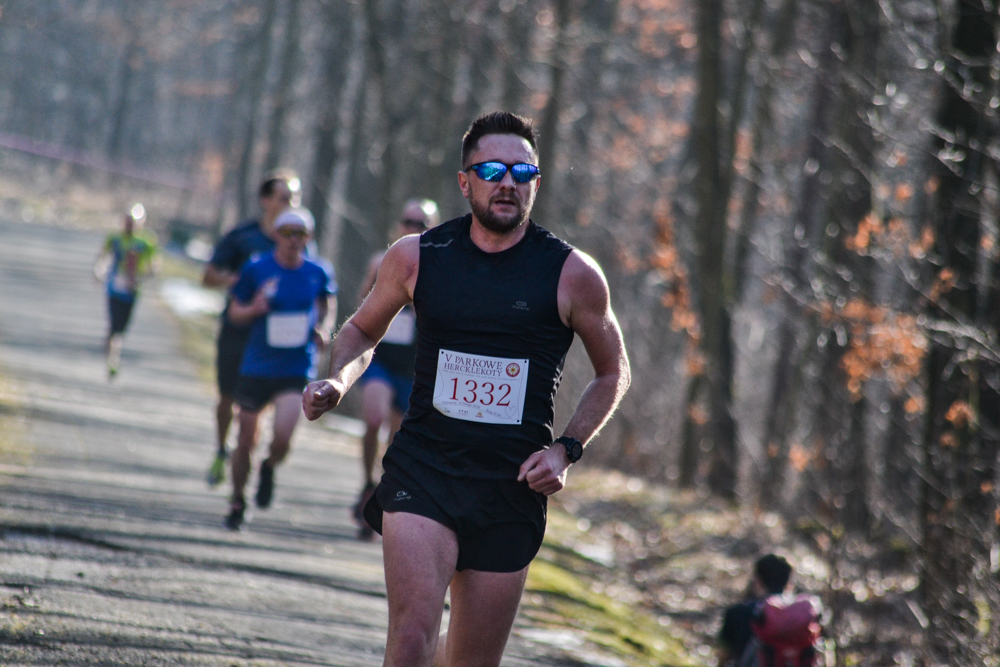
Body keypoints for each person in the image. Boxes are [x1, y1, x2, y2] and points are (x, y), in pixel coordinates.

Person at [303, 111, 630, 667]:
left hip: (510, 486)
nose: (507, 182)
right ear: (465, 181)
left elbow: (612, 371)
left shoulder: (572, 274)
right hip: (424, 469)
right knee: (410, 639)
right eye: (493, 169)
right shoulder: (417, 256)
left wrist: (565, 449)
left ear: (536, 183)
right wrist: (339, 379)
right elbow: (361, 329)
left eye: (522, 171)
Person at [224, 208, 337, 530]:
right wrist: (253, 308)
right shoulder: (257, 268)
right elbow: (234, 313)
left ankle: (270, 465)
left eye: (299, 234)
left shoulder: (318, 272)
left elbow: (327, 305)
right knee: (246, 438)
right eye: (286, 232)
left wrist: (324, 328)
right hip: (256, 366)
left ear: (308, 238)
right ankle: (237, 498)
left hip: (295, 366)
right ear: (276, 234)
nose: (292, 240)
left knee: (283, 437)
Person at [202, 172, 301, 487]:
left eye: (296, 199)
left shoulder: (298, 239)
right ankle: (221, 448)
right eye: (285, 197)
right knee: (227, 397)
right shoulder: (242, 236)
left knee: (257, 410)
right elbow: (208, 275)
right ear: (266, 200)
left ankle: (252, 458)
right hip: (238, 330)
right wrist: (240, 282)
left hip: (275, 340)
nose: (291, 204)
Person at [352, 198, 441, 539]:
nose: (413, 229)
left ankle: (377, 494)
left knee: (396, 438)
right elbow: (362, 310)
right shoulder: (382, 261)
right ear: (397, 225)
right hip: (381, 360)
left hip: (414, 369)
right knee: (374, 417)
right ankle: (366, 482)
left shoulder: (442, 267)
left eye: (422, 224)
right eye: (408, 221)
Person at [93, 203, 159, 378]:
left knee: (121, 328)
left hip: (131, 291)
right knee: (114, 325)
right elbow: (103, 257)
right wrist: (98, 271)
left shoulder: (146, 241)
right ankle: (111, 360)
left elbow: (154, 266)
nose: (130, 225)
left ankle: (111, 346)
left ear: (141, 222)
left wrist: (142, 276)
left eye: (134, 221)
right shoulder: (114, 238)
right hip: (113, 287)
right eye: (127, 221)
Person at [718, 554, 794, 667]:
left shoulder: (737, 613)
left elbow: (723, 656)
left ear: (757, 580)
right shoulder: (801, 616)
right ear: (788, 585)